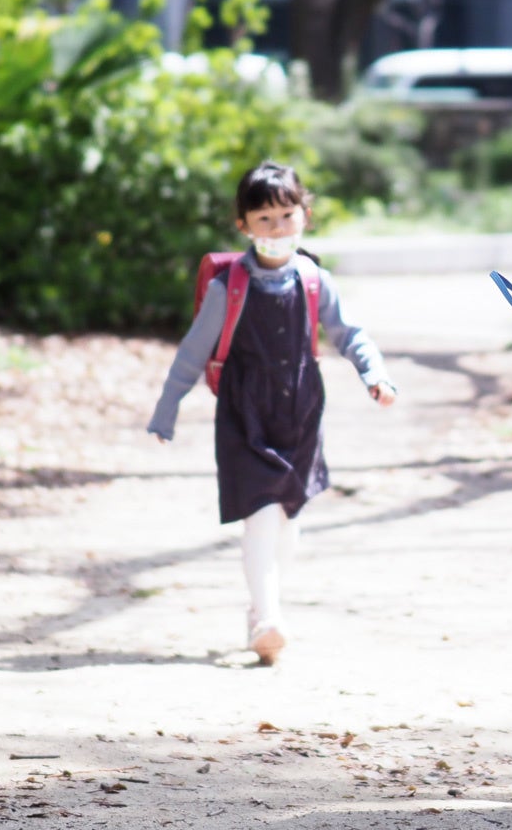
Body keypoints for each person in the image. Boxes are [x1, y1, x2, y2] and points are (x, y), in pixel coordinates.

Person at [147, 162, 397, 665]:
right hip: (246, 411)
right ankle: (267, 616)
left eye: (286, 215)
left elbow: (349, 332)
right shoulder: (229, 287)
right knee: (260, 512)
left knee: (288, 514)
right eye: (264, 219)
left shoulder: (313, 278)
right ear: (243, 225)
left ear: (305, 215)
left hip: (301, 407)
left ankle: (264, 606)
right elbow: (193, 352)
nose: (277, 228)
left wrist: (374, 373)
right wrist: (166, 409)